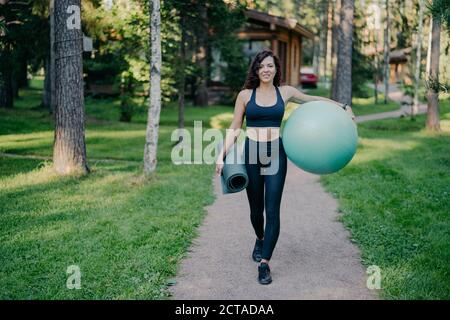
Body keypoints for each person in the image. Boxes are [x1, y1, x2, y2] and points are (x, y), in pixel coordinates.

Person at [215, 49, 355, 285]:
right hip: (251, 153)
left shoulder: (286, 92)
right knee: (255, 209)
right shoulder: (245, 96)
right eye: (262, 66)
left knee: (272, 210)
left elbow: (314, 100)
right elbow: (235, 127)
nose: (266, 70)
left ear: (276, 69)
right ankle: (259, 238)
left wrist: (342, 106)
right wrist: (221, 155)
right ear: (256, 70)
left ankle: (265, 263)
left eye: (270, 65)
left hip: (275, 154)